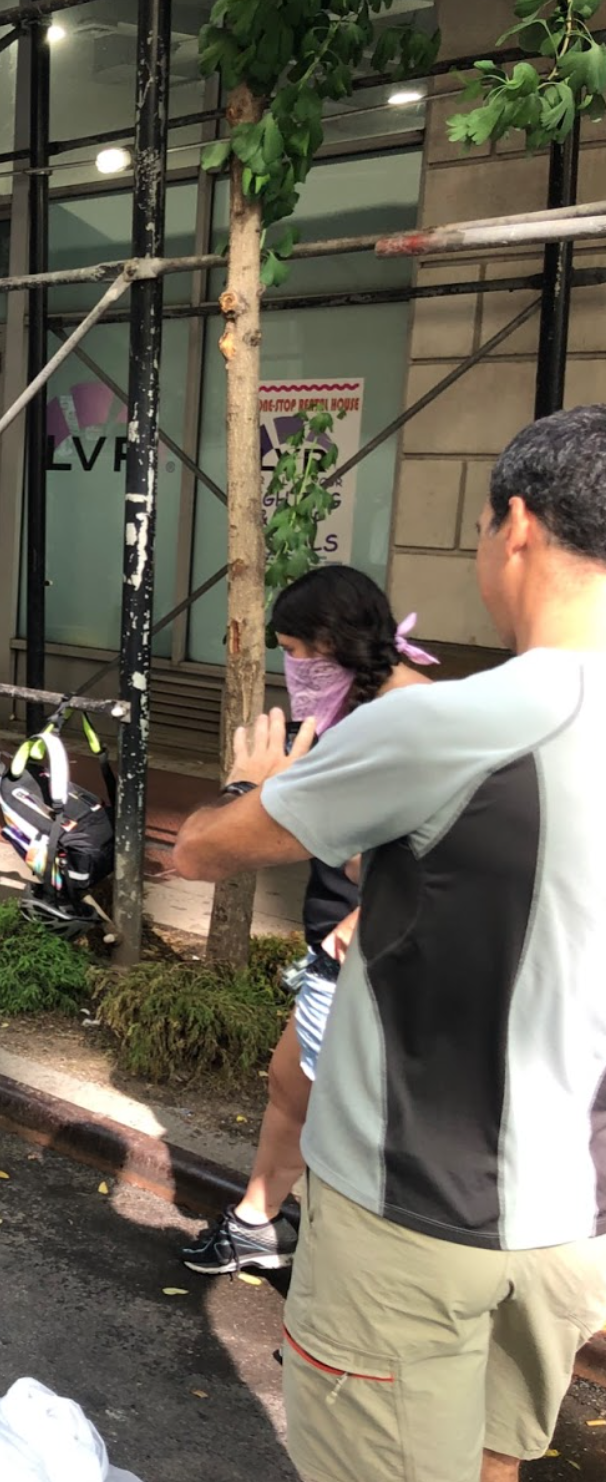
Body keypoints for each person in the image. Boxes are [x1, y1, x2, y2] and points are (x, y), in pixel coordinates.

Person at [173, 404, 606, 1482]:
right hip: (572, 1214)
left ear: (515, 526)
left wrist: (256, 784)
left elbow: (202, 853)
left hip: (411, 1212)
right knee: (495, 1463)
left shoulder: (452, 721)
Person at [180, 566, 435, 1274]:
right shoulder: (369, 711)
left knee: (348, 1131)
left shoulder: (397, 726)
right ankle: (258, 1221)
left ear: (334, 644)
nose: (290, 670)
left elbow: (202, 853)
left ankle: (337, 1278)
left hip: (368, 959)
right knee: (290, 1085)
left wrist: (256, 795)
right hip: (339, 950)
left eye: (295, 651)